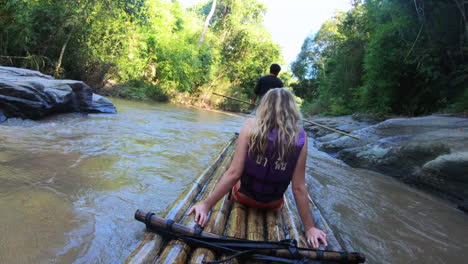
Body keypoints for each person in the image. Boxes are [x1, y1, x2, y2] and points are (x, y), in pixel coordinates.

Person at [188, 88, 328, 249]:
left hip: (243, 197)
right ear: (292, 110)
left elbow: (234, 173)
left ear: (264, 107)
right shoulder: (301, 137)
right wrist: (310, 228)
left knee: (233, 173)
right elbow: (298, 188)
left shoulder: (250, 126)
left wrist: (206, 205)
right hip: (273, 204)